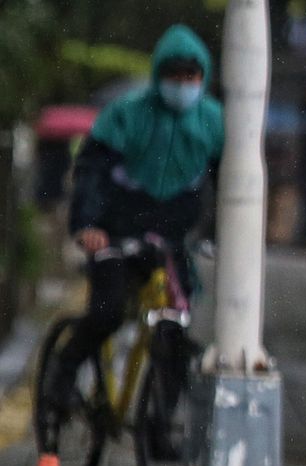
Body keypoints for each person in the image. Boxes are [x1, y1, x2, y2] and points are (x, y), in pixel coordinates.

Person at [46, 24, 223, 411]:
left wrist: (221, 235)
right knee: (107, 312)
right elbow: (91, 171)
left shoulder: (213, 122)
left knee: (175, 329)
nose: (182, 85)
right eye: (172, 76)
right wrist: (89, 225)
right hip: (116, 233)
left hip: (171, 240)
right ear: (158, 74)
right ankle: (62, 374)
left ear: (203, 77)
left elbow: (227, 184)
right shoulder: (127, 114)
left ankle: (161, 422)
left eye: (190, 77)